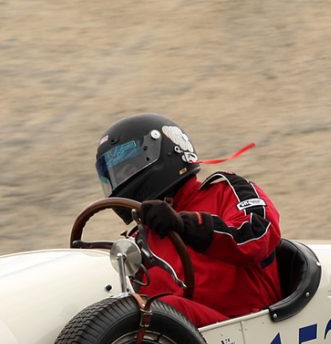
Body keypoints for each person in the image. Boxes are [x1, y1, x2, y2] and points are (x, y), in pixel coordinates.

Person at [95, 113, 282, 327]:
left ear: (167, 151)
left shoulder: (225, 189)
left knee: (156, 312)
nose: (121, 181)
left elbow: (258, 236)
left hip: (248, 329)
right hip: (182, 342)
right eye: (115, 176)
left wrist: (186, 225)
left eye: (129, 170)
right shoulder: (137, 240)